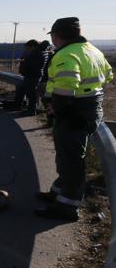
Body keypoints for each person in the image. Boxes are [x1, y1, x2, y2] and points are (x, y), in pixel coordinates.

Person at [35, 17, 113, 221]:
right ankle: (57, 192)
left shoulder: (66, 54)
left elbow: (65, 88)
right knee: (69, 157)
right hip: (90, 111)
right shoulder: (92, 50)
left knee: (71, 162)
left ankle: (67, 208)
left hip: (72, 114)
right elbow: (108, 78)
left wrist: (55, 108)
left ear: (56, 35)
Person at [11, 39, 47, 114]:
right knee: (22, 88)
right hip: (32, 75)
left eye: (28, 48)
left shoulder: (37, 53)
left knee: (31, 93)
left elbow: (33, 65)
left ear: (33, 46)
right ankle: (21, 106)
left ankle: (31, 110)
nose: (27, 50)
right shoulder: (39, 53)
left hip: (33, 76)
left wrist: (24, 64)